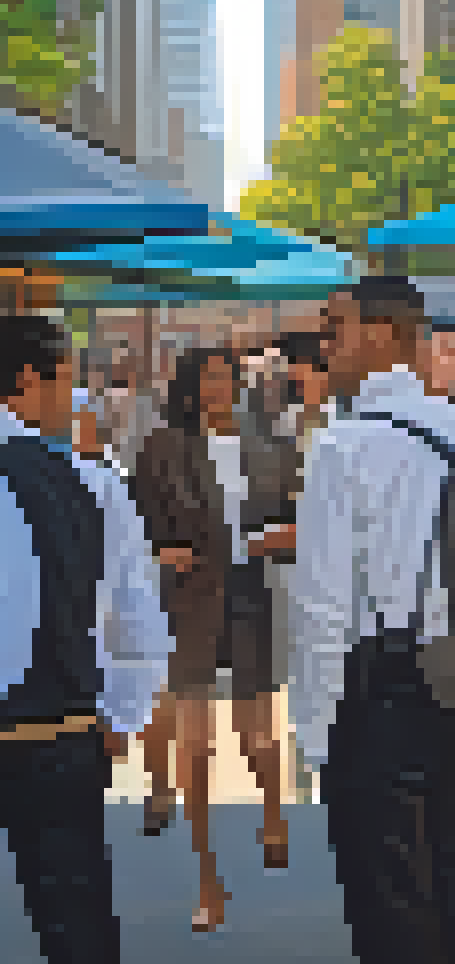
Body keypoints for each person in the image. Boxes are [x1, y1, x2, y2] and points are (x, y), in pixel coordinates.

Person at [290, 277, 455, 964]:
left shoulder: (341, 446)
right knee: (453, 872)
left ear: (381, 333)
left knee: (388, 895)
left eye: (334, 328)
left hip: (378, 683)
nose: (326, 345)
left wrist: (313, 734)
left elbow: (321, 606)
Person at [0, 314, 172, 963]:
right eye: (65, 382)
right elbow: (136, 617)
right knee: (76, 927)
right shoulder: (94, 483)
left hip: (55, 726)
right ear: (25, 381)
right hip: (61, 732)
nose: (73, 400)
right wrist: (122, 713)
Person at [131, 345, 290, 930]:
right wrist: (158, 554)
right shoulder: (161, 447)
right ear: (192, 386)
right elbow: (134, 523)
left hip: (247, 600)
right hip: (189, 603)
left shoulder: (267, 447)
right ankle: (207, 882)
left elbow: (297, 516)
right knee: (194, 750)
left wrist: (279, 538)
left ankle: (274, 809)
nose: (220, 388)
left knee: (258, 740)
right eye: (211, 378)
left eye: (228, 377)